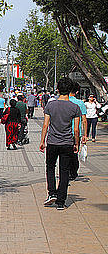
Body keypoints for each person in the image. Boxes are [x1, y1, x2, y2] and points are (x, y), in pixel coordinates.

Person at [40, 77, 81, 210]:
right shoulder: (75, 107)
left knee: (50, 167)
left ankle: (52, 193)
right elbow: (76, 129)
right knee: (64, 171)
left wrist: (42, 141)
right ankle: (61, 202)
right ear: (70, 90)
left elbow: (46, 125)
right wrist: (76, 143)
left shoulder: (50, 105)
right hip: (67, 143)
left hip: (52, 142)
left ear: (57, 89)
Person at [68, 81, 87, 179]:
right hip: (76, 132)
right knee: (75, 152)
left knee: (66, 154)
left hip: (64, 133)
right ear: (76, 92)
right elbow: (84, 120)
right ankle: (74, 172)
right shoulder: (80, 103)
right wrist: (85, 135)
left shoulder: (63, 101)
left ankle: (66, 172)